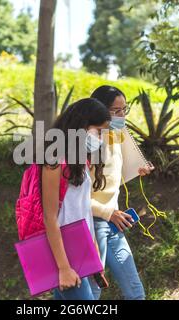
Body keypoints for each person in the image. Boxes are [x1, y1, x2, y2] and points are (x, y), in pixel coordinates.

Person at [89, 85, 154, 300]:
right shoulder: (87, 145)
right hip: (90, 225)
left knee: (136, 293)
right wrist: (110, 213)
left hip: (114, 223)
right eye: (116, 111)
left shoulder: (116, 137)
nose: (122, 116)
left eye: (125, 109)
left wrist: (137, 170)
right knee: (93, 291)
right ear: (98, 110)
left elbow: (109, 179)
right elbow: (76, 198)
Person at [42, 98, 110, 300]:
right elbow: (50, 218)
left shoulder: (82, 160)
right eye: (98, 131)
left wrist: (94, 252)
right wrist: (63, 267)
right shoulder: (54, 162)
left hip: (80, 250)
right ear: (81, 126)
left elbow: (83, 210)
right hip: (65, 253)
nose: (101, 137)